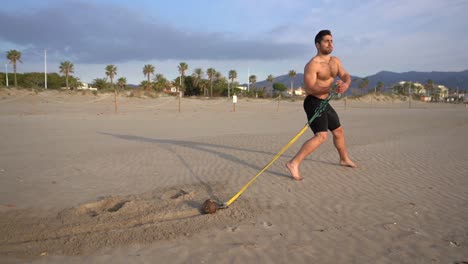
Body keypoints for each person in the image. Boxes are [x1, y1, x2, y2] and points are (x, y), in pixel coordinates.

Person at [286, 29, 357, 181]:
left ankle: (344, 159)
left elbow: (345, 75)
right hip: (313, 102)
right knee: (321, 136)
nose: (330, 44)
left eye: (331, 41)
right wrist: (330, 88)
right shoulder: (312, 65)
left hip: (324, 102)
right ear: (318, 45)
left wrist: (346, 84)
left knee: (338, 131)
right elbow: (310, 88)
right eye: (326, 41)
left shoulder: (335, 61)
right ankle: (294, 163)